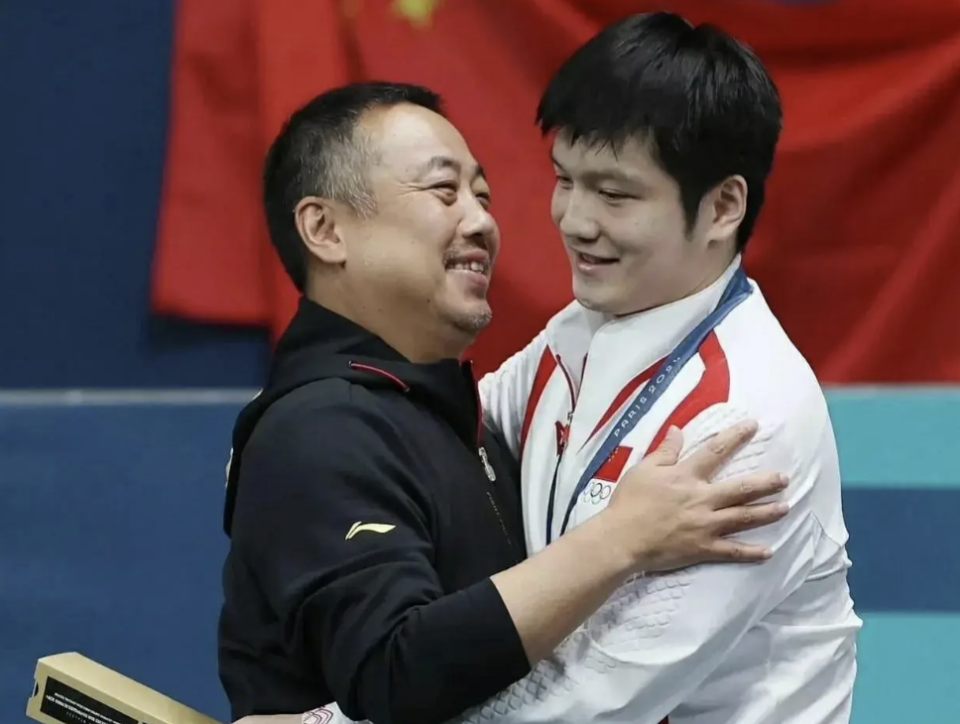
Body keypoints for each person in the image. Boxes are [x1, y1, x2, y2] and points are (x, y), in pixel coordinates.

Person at [245, 10, 861, 724]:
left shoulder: (745, 421)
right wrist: (292, 449)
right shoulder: (573, 337)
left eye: (615, 194)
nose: (574, 220)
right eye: (566, 179)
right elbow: (429, 448)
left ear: (723, 207)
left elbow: (584, 698)